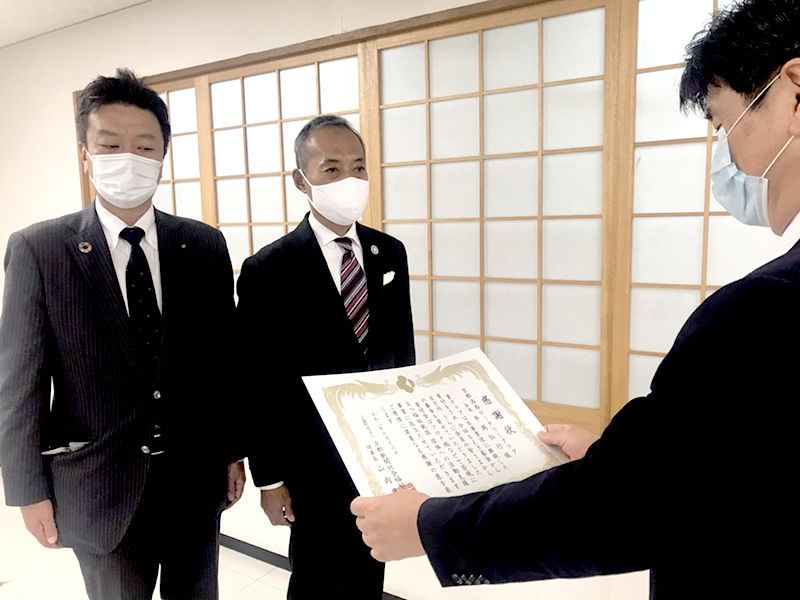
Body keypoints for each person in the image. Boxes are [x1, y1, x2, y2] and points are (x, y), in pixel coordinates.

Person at [350, 1, 800, 597]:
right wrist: (623, 455)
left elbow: (624, 506)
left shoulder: (767, 307)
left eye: (722, 123)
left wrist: (430, 528)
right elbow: (727, 463)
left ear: (794, 92)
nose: (727, 155)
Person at [0, 68, 245, 600]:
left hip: (192, 482)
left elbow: (222, 363)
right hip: (99, 486)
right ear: (85, 154)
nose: (128, 159)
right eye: (110, 145)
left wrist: (233, 451)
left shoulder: (203, 245)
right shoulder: (40, 250)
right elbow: (19, 384)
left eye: (144, 147)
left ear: (163, 155)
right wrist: (26, 490)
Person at [237, 115, 415, 598]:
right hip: (309, 457)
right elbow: (259, 380)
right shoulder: (269, 268)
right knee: (315, 576)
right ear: (302, 180)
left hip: (376, 450)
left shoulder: (388, 252)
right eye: (332, 169)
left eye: (358, 167)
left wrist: (404, 445)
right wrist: (269, 478)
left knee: (370, 565)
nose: (349, 180)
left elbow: (402, 350)